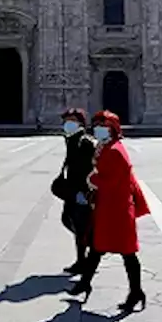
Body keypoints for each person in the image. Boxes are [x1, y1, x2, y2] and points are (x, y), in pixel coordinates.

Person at [68, 110, 150, 313]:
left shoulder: (115, 151)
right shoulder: (108, 147)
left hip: (118, 210)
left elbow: (113, 180)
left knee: (128, 253)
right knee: (96, 247)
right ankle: (85, 283)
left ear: (112, 129)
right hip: (108, 207)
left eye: (102, 126)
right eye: (96, 125)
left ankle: (136, 292)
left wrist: (93, 180)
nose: (97, 129)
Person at [54, 108, 96, 275]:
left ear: (81, 122)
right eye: (66, 120)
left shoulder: (84, 141)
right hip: (72, 188)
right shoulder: (72, 139)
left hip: (81, 190)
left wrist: (87, 191)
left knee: (80, 227)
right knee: (67, 219)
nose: (67, 123)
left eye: (71, 120)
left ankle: (83, 261)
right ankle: (93, 248)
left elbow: (91, 167)